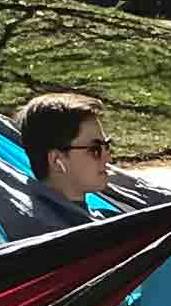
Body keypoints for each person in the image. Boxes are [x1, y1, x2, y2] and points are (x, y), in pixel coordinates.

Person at [18, 92, 116, 225]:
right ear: (56, 161)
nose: (108, 159)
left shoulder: (108, 218)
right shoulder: (46, 235)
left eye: (107, 146)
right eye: (95, 149)